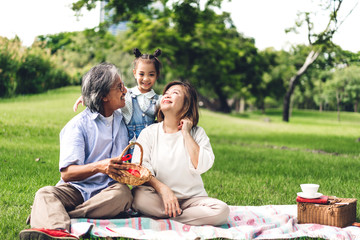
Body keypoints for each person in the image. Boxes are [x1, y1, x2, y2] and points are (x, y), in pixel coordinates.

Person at [19, 63, 133, 240]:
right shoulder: (77, 126)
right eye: (119, 87)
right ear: (103, 96)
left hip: (108, 192)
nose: (125, 90)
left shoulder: (123, 117)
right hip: (77, 190)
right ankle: (59, 232)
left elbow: (143, 94)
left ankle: (57, 216)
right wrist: (100, 167)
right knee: (45, 193)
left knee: (124, 194)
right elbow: (67, 173)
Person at [131, 81, 230, 226]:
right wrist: (164, 190)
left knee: (221, 210)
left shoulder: (197, 133)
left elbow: (201, 166)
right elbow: (140, 169)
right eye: (166, 93)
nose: (167, 95)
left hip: (192, 201)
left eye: (175, 93)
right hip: (158, 197)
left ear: (186, 105)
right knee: (138, 196)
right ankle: (185, 218)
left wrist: (186, 133)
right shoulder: (149, 133)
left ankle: (170, 218)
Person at [73, 48, 162, 151]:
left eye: (151, 74)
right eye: (141, 74)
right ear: (134, 73)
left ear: (157, 75)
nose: (146, 78)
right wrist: (86, 96)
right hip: (131, 147)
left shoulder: (158, 100)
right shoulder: (127, 94)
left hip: (151, 146)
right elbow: (104, 92)